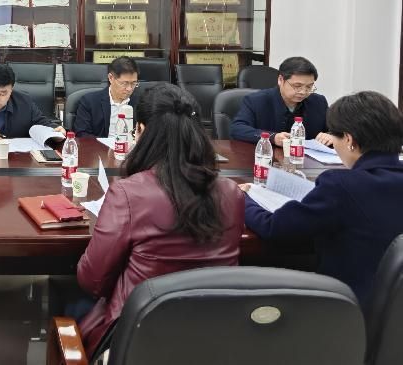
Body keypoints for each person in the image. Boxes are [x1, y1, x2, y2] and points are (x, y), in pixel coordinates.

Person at [75, 83, 245, 357]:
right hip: (213, 335)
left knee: (69, 300)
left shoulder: (129, 193)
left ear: (141, 130)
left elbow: (92, 280)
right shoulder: (231, 192)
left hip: (138, 337)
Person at [243, 91, 403, 304]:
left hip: (349, 306)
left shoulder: (341, 186)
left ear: (349, 139)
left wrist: (246, 197)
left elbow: (275, 227)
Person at [231, 56, 334, 146]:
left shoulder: (318, 102)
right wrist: (272, 137)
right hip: (268, 157)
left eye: (309, 87)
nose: (303, 92)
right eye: (297, 86)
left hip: (306, 160)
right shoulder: (256, 101)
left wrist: (332, 136)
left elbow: (337, 130)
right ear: (281, 80)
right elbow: (237, 129)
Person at [73, 56, 141, 137]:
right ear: (111, 78)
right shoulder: (89, 102)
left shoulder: (141, 103)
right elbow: (82, 134)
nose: (129, 88)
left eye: (134, 83)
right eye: (124, 83)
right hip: (99, 145)